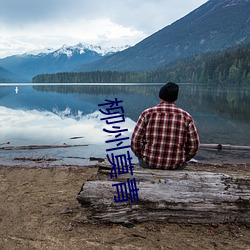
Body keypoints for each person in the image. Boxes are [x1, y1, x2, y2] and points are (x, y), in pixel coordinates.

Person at [131, 82, 200, 170]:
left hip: (149, 162)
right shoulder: (186, 117)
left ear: (160, 96)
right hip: (176, 165)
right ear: (175, 98)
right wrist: (184, 158)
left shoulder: (147, 114)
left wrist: (141, 156)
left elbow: (135, 141)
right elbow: (194, 145)